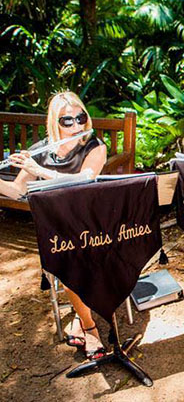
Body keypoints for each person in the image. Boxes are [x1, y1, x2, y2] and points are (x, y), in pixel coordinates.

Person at [0, 91, 108, 360]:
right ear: (54, 122)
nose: (76, 126)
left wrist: (41, 171)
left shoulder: (95, 146)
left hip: (89, 223)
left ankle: (87, 325)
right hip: (56, 225)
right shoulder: (41, 150)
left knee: (68, 261)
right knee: (65, 256)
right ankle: (85, 320)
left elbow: (85, 179)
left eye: (80, 118)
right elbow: (17, 190)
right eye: (67, 120)